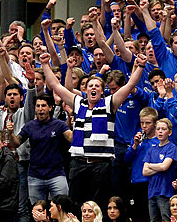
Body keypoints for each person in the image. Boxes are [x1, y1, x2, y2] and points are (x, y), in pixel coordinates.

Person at [40, 50, 147, 208]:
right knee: (75, 205)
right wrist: (44, 64)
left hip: (101, 165)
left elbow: (130, 84)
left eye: (97, 85)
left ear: (102, 90)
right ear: (86, 90)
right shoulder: (78, 102)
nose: (93, 88)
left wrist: (141, 66)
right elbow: (56, 85)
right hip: (78, 164)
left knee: (99, 206)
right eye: (90, 85)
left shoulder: (109, 103)